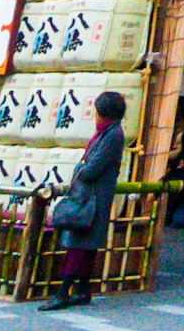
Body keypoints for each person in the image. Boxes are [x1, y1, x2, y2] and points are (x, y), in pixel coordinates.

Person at [43, 89, 129, 310]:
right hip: (93, 197)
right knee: (87, 246)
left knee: (78, 246)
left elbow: (91, 168)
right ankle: (82, 290)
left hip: (92, 199)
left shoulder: (112, 135)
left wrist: (79, 168)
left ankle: (63, 293)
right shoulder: (109, 132)